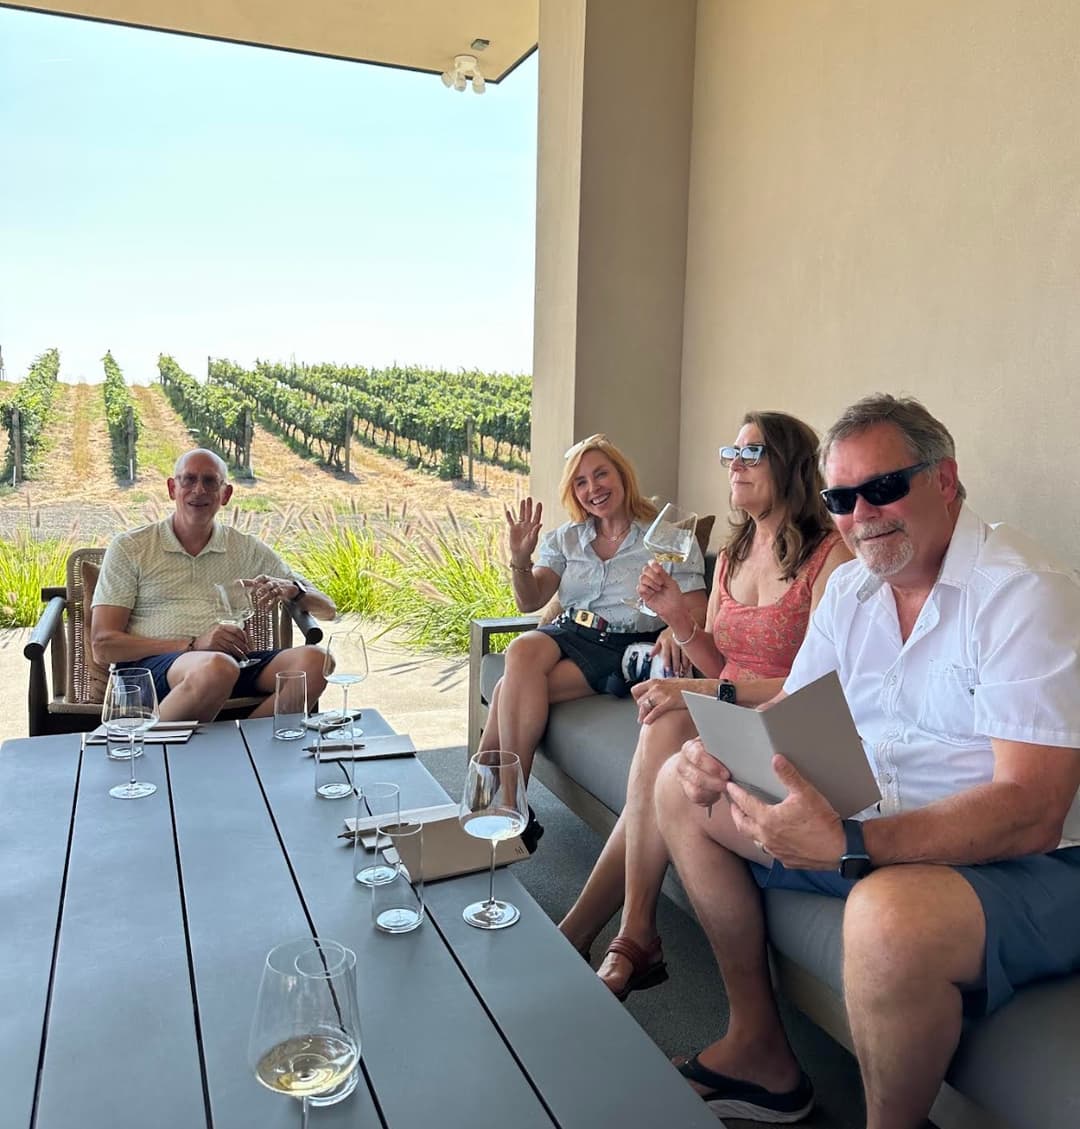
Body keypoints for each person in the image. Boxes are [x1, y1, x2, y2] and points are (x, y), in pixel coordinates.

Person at [656, 395, 1080, 1128]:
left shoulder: (1022, 593)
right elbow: (793, 712)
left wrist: (851, 845)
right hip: (868, 821)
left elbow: (1034, 809)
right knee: (679, 786)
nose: (862, 514)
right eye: (840, 497)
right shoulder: (852, 588)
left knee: (886, 915)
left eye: (884, 487)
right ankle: (760, 1050)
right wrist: (718, 750)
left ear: (945, 482)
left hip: (1023, 864)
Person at [558, 412, 850, 998]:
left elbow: (820, 688)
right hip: (731, 707)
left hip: (792, 722)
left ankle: (609, 934)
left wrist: (696, 690)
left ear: (791, 465)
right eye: (730, 453)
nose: (734, 465)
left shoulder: (832, 559)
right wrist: (677, 618)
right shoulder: (735, 550)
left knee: (668, 718)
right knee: (665, 722)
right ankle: (628, 935)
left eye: (751, 454)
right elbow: (720, 662)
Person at [481, 434, 708, 848]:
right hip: (570, 631)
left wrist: (669, 628)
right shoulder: (568, 539)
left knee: (505, 689)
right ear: (575, 493)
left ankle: (492, 801)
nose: (593, 488)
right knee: (523, 649)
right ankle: (513, 804)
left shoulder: (666, 535)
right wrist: (520, 559)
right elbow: (531, 599)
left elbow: (696, 605)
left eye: (601, 473)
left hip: (623, 645)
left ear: (622, 476)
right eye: (581, 482)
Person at [91, 449, 337, 722]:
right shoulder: (131, 547)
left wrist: (294, 590)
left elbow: (328, 610)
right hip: (154, 670)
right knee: (217, 667)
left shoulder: (244, 548)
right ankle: (143, 750)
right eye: (189, 480)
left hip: (232, 663)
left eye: (210, 481)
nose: (199, 490)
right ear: (172, 488)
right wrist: (195, 644)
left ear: (226, 494)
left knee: (317, 662)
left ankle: (248, 750)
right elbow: (103, 645)